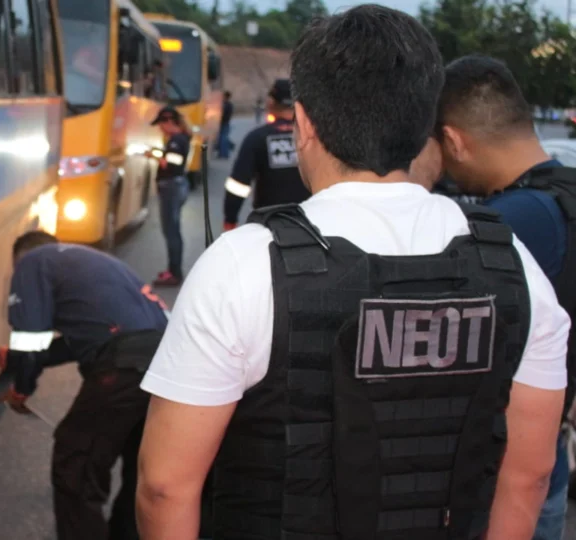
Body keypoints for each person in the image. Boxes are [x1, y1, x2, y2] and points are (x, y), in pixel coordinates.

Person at [135, 6, 570, 540]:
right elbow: (528, 477)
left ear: (306, 124)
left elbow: (165, 487)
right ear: (423, 125)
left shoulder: (241, 266)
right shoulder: (515, 266)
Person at [434, 54, 576, 540]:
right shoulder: (564, 198)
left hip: (499, 482)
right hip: (547, 459)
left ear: (453, 140)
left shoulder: (507, 226)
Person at [0, 231, 168, 540]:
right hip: (167, 366)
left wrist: (22, 387)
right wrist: (9, 358)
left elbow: (30, 341)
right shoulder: (95, 262)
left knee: (76, 464)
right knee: (140, 468)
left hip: (123, 366)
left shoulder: (33, 261)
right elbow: (83, 340)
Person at [223, 78, 309, 231]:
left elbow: (238, 185)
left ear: (271, 103)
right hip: (310, 224)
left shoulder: (257, 138)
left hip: (269, 225)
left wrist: (230, 219)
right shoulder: (312, 138)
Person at [149, 106, 192, 287]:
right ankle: (173, 269)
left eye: (161, 124)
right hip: (176, 186)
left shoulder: (176, 140)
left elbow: (174, 164)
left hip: (171, 188)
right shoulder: (180, 138)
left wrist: (156, 156)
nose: (160, 128)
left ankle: (174, 273)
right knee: (172, 230)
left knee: (171, 231)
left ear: (168, 122)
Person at [217, 90, 235, 159]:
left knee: (223, 138)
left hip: (224, 123)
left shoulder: (225, 104)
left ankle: (223, 154)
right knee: (224, 138)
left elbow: (222, 114)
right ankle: (224, 153)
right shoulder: (229, 104)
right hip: (226, 123)